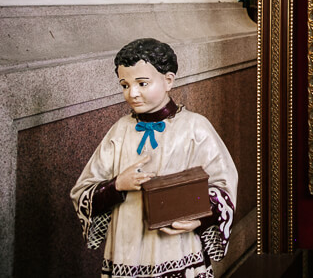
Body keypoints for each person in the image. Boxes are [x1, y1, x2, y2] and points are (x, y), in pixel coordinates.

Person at [71, 38, 238, 278]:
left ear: (168, 80)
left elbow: (224, 184)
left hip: (177, 247)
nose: (133, 93)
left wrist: (201, 218)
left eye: (142, 83)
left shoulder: (195, 128)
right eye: (125, 85)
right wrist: (117, 185)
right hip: (127, 248)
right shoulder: (120, 131)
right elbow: (83, 192)